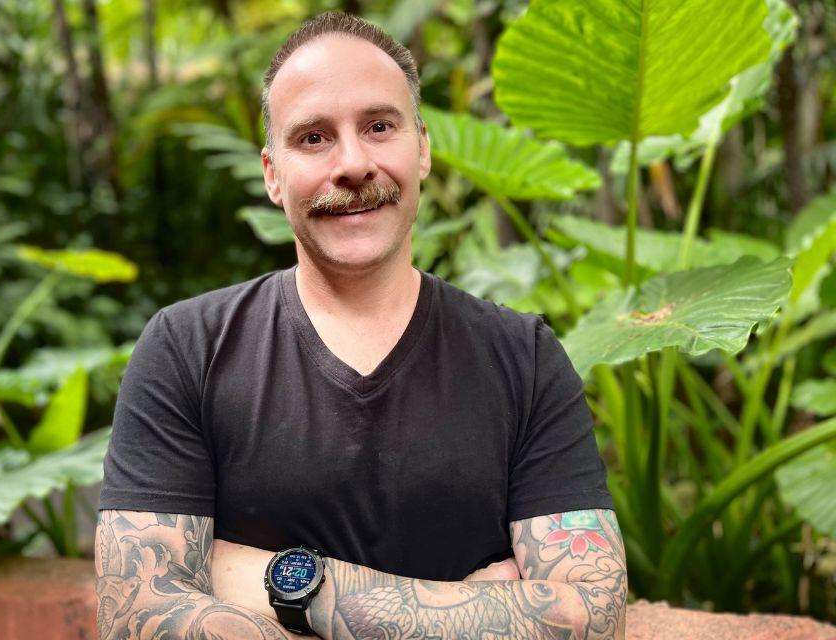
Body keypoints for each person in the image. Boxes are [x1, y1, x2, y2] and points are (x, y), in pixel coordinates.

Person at [95, 11, 627, 640]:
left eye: (378, 127)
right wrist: (460, 608)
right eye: (313, 138)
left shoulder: (524, 357)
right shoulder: (187, 349)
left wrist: (298, 588)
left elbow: (592, 616)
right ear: (271, 172)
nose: (352, 163)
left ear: (422, 148)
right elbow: (134, 617)